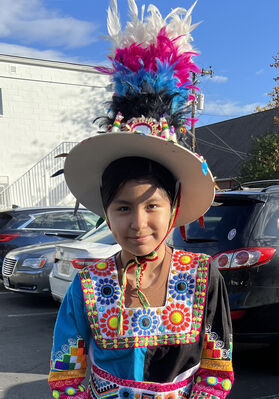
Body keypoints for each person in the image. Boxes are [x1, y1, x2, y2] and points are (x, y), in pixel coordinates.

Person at [48, 1, 234, 398]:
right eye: (122, 208)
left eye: (152, 205)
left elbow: (216, 373)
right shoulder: (86, 286)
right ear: (106, 212)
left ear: (175, 207)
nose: (138, 223)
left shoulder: (205, 278)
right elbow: (65, 378)